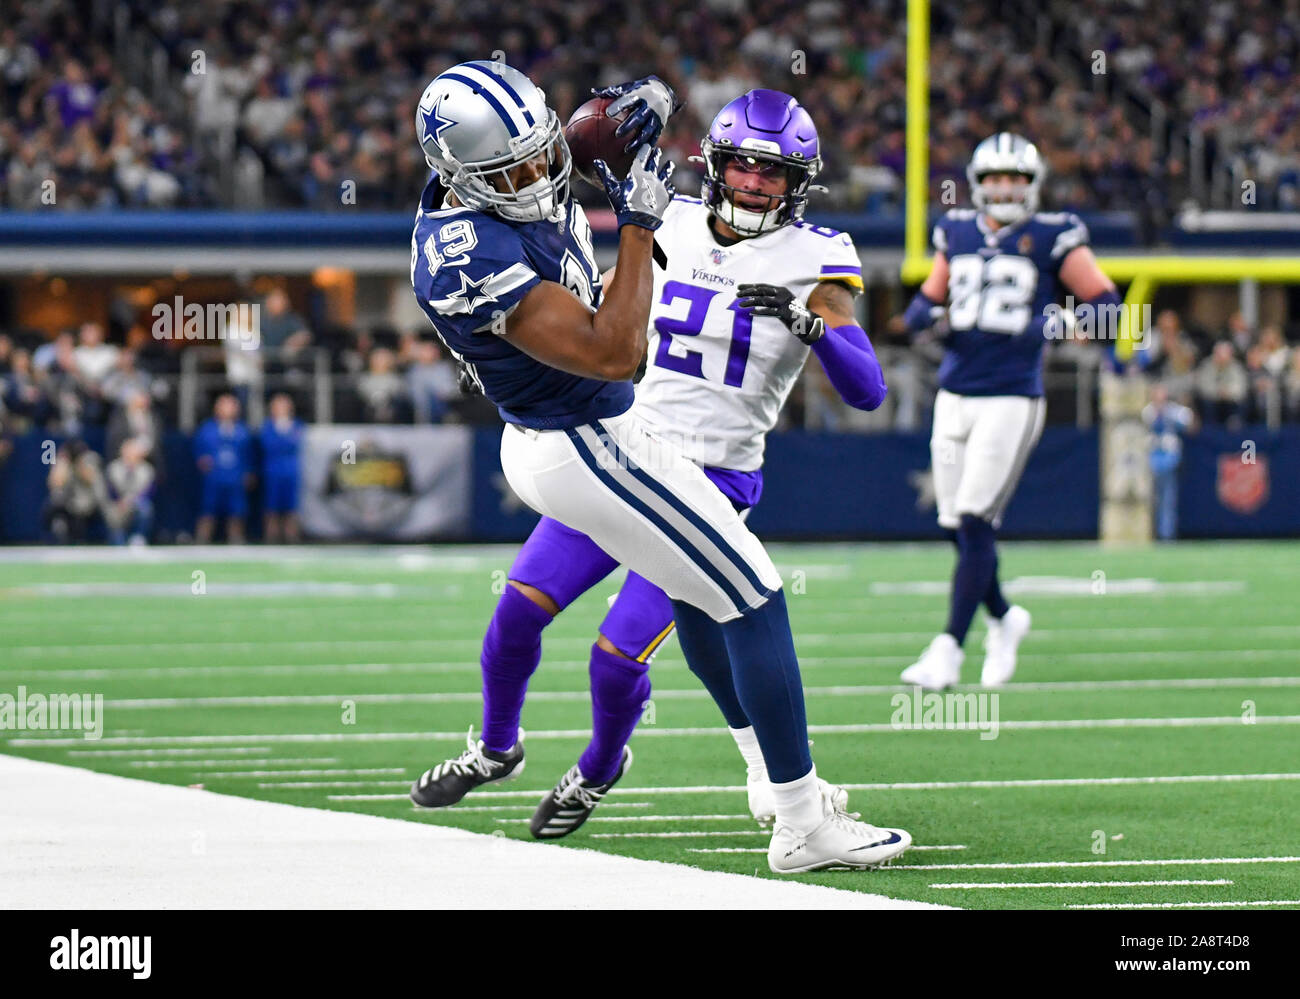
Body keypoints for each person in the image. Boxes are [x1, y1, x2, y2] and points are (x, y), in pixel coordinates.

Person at [407, 61, 909, 873]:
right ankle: (789, 805)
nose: (752, 184)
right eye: (741, 164)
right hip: (619, 447)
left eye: (771, 171)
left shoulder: (816, 254)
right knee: (573, 612)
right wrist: (629, 211)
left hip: (699, 468)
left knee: (653, 638)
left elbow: (869, 388)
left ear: (798, 182)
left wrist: (815, 330)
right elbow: (607, 334)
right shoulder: (661, 215)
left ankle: (620, 770)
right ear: (713, 165)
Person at [896, 132, 1120, 689]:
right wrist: (925, 317)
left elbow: (1109, 309)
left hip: (1012, 396)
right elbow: (926, 300)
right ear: (977, 183)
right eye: (994, 178)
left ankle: (948, 648)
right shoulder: (956, 229)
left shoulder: (1054, 235)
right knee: (955, 524)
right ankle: (1004, 615)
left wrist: (1059, 323)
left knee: (974, 517)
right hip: (954, 392)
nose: (1003, 188)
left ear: (1032, 184)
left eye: (1014, 178)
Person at [194, 392, 252, 543]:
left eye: (231, 405)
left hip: (235, 477)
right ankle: (202, 541)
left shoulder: (242, 430)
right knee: (208, 510)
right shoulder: (207, 429)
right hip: (214, 477)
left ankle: (236, 540)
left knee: (237, 511)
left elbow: (248, 454)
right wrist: (202, 462)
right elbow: (199, 451)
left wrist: (248, 473)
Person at [1141, 383, 1195, 541]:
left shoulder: (1173, 410)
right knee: (1153, 497)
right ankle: (1151, 532)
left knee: (1168, 496)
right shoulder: (1148, 411)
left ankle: (1166, 533)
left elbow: (1188, 421)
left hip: (1169, 458)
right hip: (1153, 457)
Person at [260, 392, 303, 543]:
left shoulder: (297, 425)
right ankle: (271, 537)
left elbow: (296, 444)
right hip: (273, 471)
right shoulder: (268, 426)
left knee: (291, 507)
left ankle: (292, 537)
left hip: (291, 471)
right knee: (272, 506)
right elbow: (269, 445)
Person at [104, 437, 155, 545]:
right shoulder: (113, 468)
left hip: (135, 503)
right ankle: (118, 542)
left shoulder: (147, 470)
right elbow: (110, 491)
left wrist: (130, 501)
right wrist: (120, 502)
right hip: (118, 503)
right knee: (111, 513)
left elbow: (147, 493)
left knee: (145, 508)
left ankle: (138, 538)